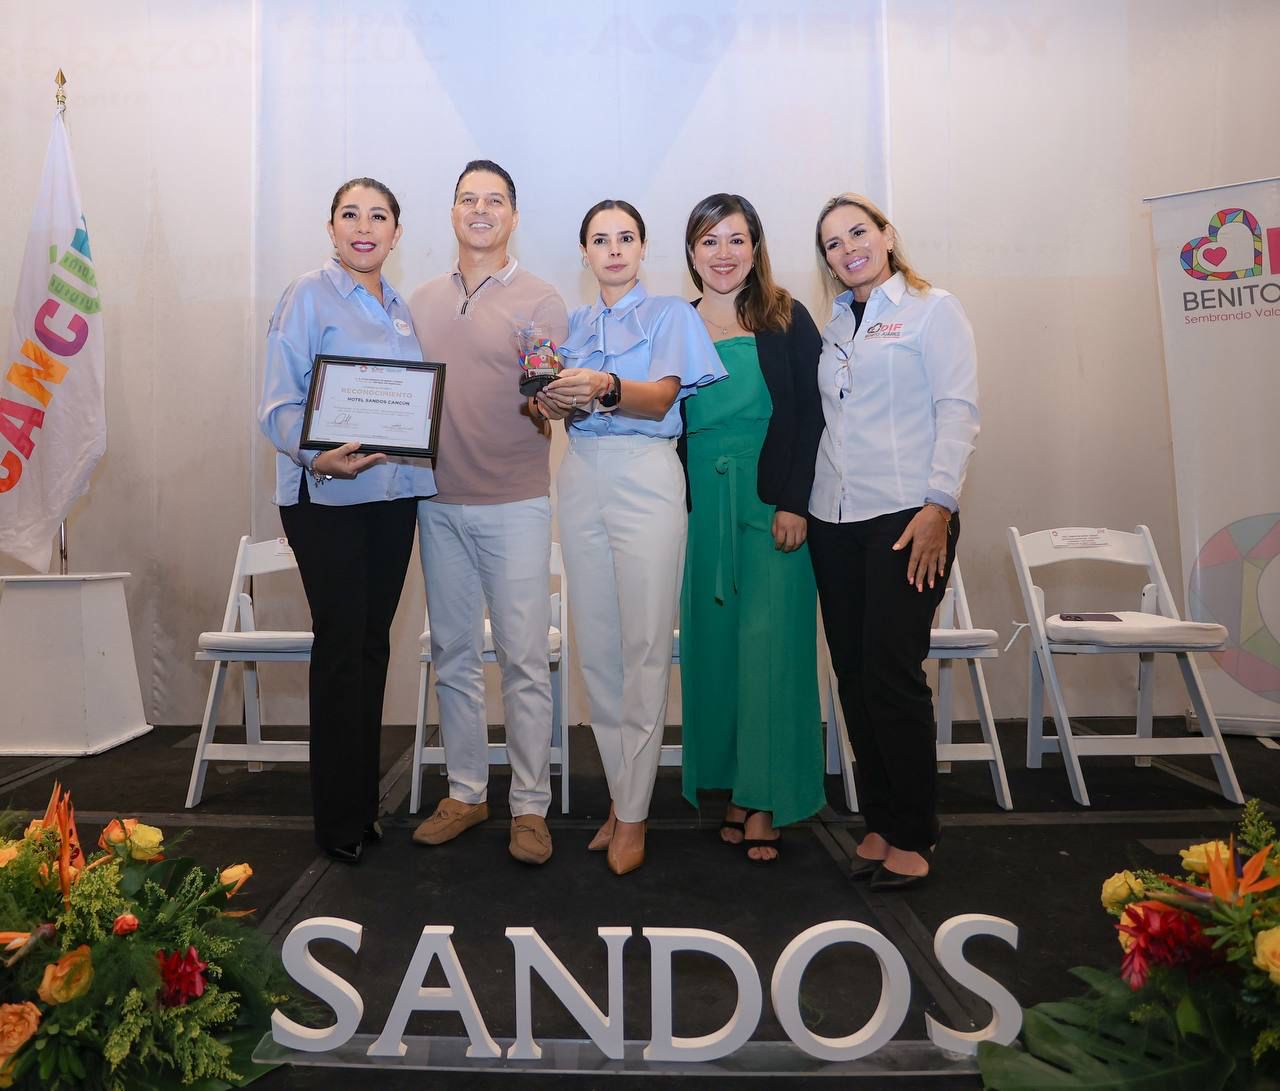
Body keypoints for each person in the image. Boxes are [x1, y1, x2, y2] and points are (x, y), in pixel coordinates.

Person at [535, 200, 724, 876]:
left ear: (643, 248)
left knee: (644, 647)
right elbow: (553, 404)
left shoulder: (671, 315)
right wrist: (547, 398)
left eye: (625, 238)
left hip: (647, 472)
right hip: (581, 470)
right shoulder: (571, 326)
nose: (613, 249)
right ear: (584, 252)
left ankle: (637, 813)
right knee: (598, 649)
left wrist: (605, 384)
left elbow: (663, 397)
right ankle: (622, 796)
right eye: (600, 239)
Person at [259, 177, 435, 864]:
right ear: (331, 228)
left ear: (396, 233)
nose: (365, 227)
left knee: (371, 646)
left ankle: (363, 806)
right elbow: (277, 403)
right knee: (340, 647)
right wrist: (318, 454)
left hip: (392, 496)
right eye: (351, 215)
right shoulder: (308, 295)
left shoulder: (399, 308)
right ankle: (337, 821)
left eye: (379, 216)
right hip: (326, 496)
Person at [807, 192, 979, 891]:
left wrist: (940, 505)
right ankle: (878, 819)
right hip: (834, 517)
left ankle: (914, 831)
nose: (848, 248)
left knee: (892, 671)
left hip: (908, 516)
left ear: (886, 234)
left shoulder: (933, 309)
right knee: (853, 673)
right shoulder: (833, 323)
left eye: (858, 232)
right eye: (833, 242)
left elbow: (958, 410)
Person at [408, 160, 568, 866]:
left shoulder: (542, 299)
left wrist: (547, 400)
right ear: (452, 213)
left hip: (516, 501)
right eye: (468, 199)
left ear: (513, 215)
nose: (480, 209)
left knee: (525, 660)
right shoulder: (416, 302)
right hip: (436, 503)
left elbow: (545, 393)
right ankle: (466, 792)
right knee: (453, 654)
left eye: (494, 199)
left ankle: (529, 807)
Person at [677, 193, 826, 863]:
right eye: (710, 241)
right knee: (716, 649)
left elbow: (813, 414)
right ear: (692, 252)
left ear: (756, 247)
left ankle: (767, 799)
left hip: (771, 505)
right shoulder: (676, 323)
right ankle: (735, 787)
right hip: (699, 505)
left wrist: (794, 501)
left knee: (771, 648)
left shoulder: (786, 316)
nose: (723, 253)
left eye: (736, 239)